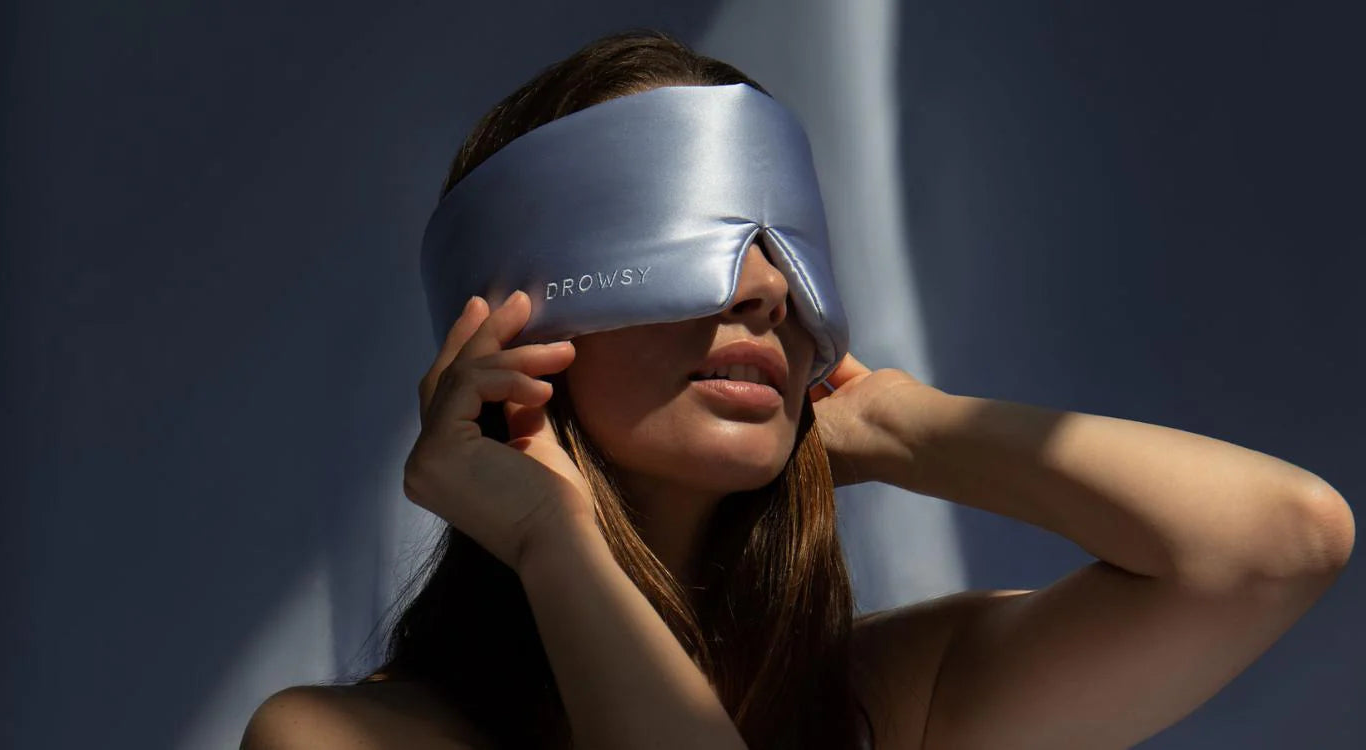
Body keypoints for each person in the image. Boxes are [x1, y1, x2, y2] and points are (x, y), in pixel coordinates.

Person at [240, 28, 1355, 750]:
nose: (764, 290)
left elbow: (1276, 543)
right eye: (684, 246)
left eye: (782, 250)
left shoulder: (891, 703)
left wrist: (897, 423)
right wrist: (550, 540)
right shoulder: (341, 742)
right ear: (508, 335)